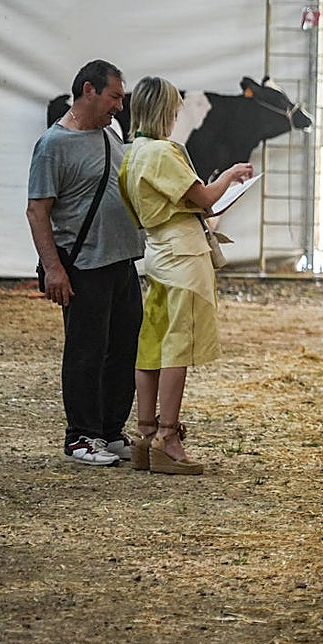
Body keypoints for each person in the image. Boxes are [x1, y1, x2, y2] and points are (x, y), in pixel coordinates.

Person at [119, 76, 254, 475]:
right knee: (177, 345)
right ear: (166, 111)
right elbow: (207, 201)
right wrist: (230, 175)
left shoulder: (132, 153)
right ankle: (168, 437)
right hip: (184, 256)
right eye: (175, 109)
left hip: (158, 252)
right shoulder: (165, 152)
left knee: (152, 342)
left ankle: (144, 435)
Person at [26, 59, 145, 466]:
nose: (119, 107)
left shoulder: (111, 134)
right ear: (89, 90)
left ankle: (110, 431)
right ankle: (81, 436)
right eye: (114, 97)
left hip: (122, 261)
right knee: (86, 352)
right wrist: (54, 269)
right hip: (85, 266)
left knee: (124, 348)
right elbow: (37, 211)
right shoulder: (53, 144)